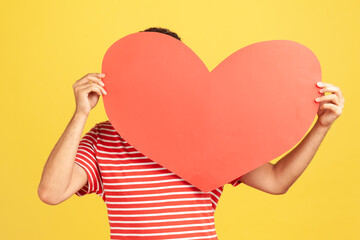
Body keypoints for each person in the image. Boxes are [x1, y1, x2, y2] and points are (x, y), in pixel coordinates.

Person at [37, 27, 345, 240]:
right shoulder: (105, 138)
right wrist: (81, 113)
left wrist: (322, 126)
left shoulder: (213, 127)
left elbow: (277, 181)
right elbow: (51, 192)